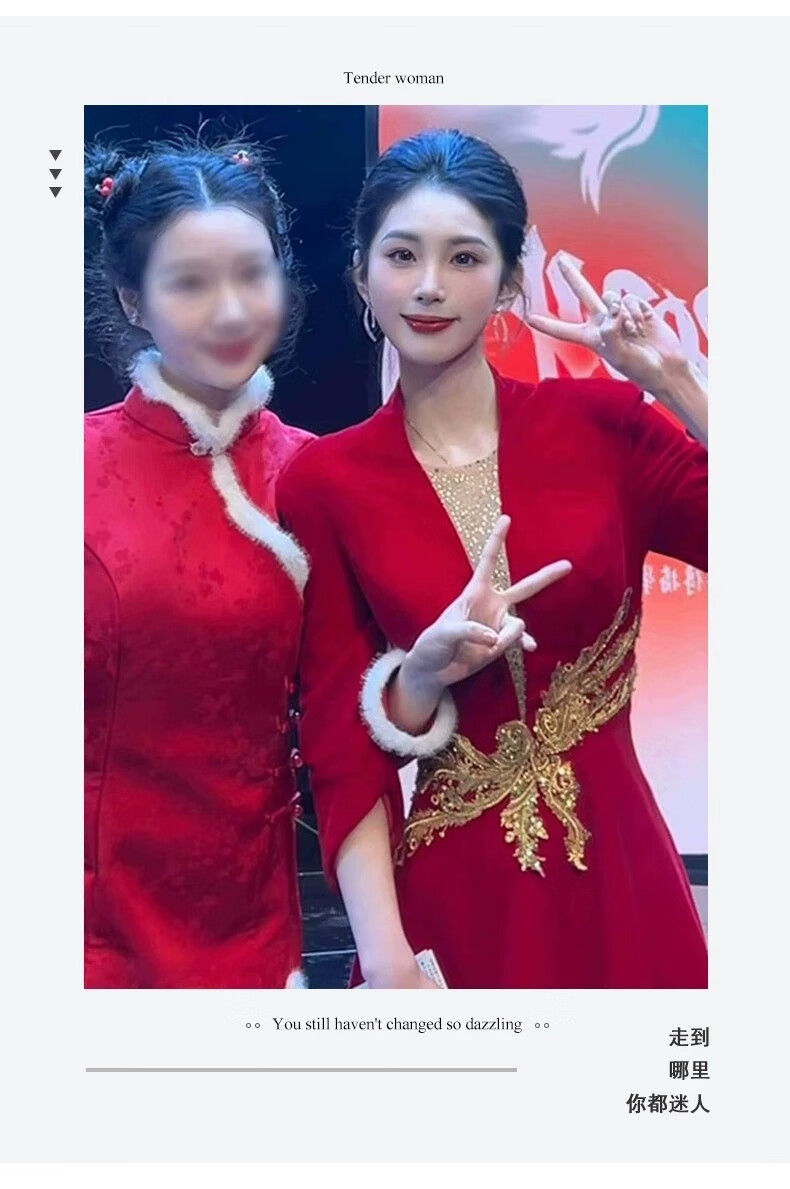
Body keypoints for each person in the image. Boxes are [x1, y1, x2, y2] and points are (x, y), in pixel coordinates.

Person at [277, 128, 708, 990]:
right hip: (454, 898)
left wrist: (678, 383)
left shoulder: (603, 427)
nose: (429, 285)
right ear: (362, 275)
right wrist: (388, 961)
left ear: (510, 281)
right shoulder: (326, 480)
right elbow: (338, 738)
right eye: (402, 254)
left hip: (623, 880)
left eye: (465, 257)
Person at [84, 138, 314, 988]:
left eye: (253, 275)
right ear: (131, 300)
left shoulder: (317, 475)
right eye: (190, 283)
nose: (230, 311)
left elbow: (348, 721)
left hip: (251, 919)